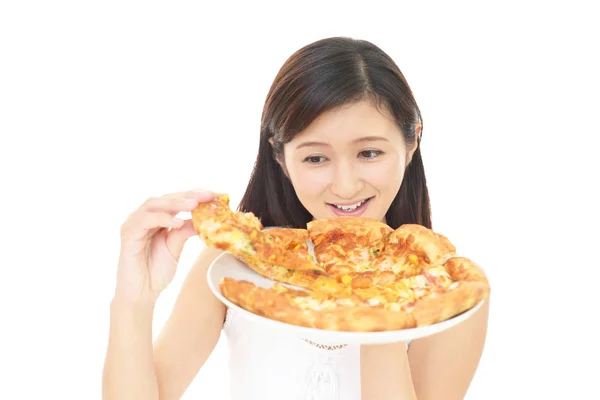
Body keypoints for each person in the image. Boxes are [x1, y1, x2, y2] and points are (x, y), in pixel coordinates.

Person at [102, 36, 490, 400]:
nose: (345, 185)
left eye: (369, 153)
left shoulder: (447, 290)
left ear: (412, 142)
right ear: (279, 157)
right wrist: (135, 299)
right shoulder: (236, 268)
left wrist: (378, 291)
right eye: (315, 158)